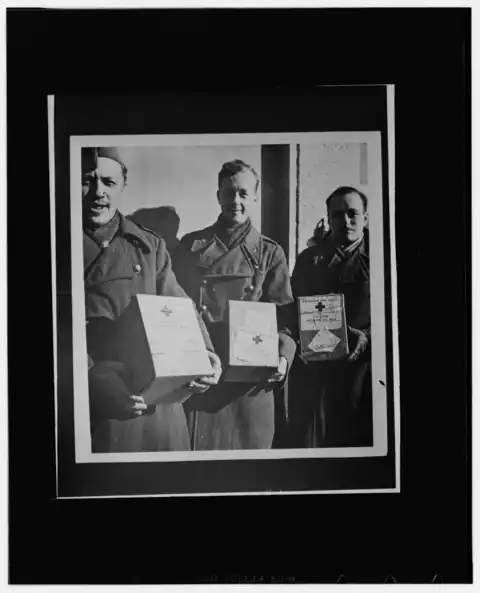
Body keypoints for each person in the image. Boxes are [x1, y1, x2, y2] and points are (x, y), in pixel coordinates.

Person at [82, 147, 221, 453]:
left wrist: (204, 356)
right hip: (91, 412)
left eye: (108, 182)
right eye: (87, 180)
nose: (98, 192)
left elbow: (178, 306)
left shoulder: (149, 246)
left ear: (123, 187)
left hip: (157, 411)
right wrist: (91, 376)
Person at [172, 159, 297, 450]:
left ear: (254, 196)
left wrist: (282, 358)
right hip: (204, 377)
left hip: (250, 384)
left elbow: (285, 318)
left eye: (242, 193)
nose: (235, 201)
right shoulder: (191, 246)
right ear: (218, 196)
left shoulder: (269, 252)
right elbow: (178, 309)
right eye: (228, 193)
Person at [289, 186, 372, 448]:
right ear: (328, 218)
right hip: (318, 372)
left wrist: (368, 337)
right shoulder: (309, 260)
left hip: (365, 371)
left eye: (352, 213)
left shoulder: (381, 260)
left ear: (365, 218)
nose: (345, 221)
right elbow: (293, 307)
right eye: (337, 215)